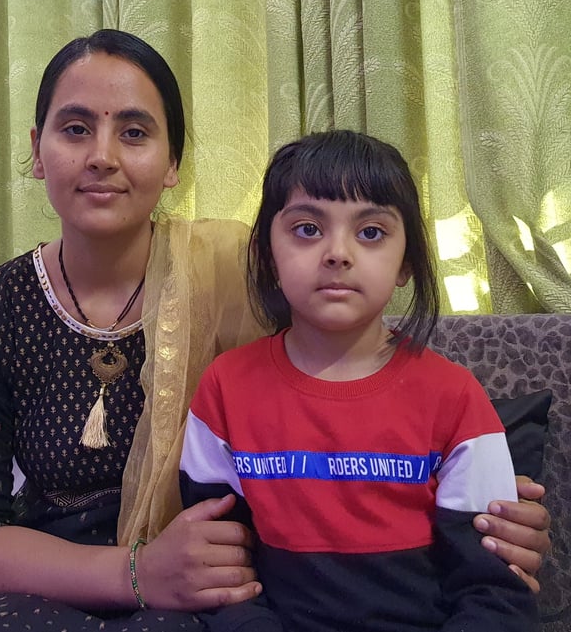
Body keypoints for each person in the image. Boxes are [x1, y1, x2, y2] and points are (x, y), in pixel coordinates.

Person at [0, 30, 549, 632]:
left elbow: (350, 380)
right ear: (38, 150)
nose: (103, 156)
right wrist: (139, 573)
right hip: (57, 579)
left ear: (173, 161)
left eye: (134, 132)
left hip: (210, 586)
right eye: (76, 128)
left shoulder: (239, 271)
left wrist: (492, 503)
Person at [179, 130, 541, 631]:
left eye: (370, 232)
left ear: (407, 262)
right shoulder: (225, 388)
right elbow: (219, 575)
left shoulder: (455, 396)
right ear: (267, 255)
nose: (338, 253)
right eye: (307, 228)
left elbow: (496, 592)